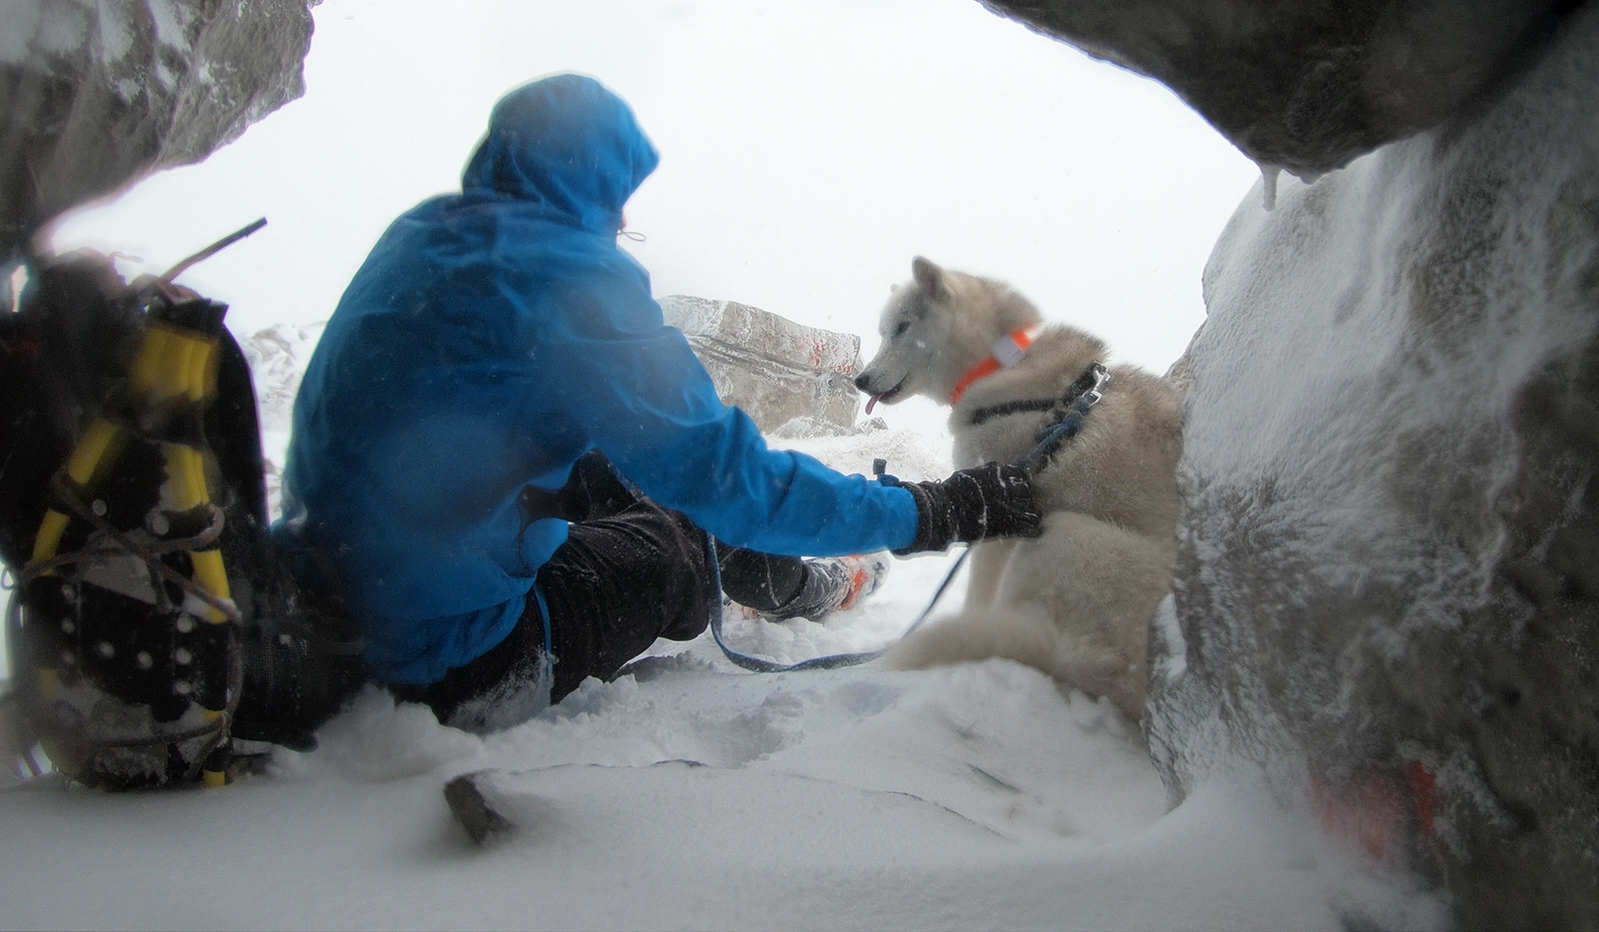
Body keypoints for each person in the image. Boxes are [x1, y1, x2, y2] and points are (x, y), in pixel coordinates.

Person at [273, 74, 1043, 732]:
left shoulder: (424, 233)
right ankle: (811, 587)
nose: (625, 221)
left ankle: (783, 582)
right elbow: (728, 478)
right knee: (677, 537)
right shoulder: (573, 277)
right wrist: (937, 511)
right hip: (443, 660)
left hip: (323, 600)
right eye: (619, 196)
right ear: (589, 182)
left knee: (619, 468)